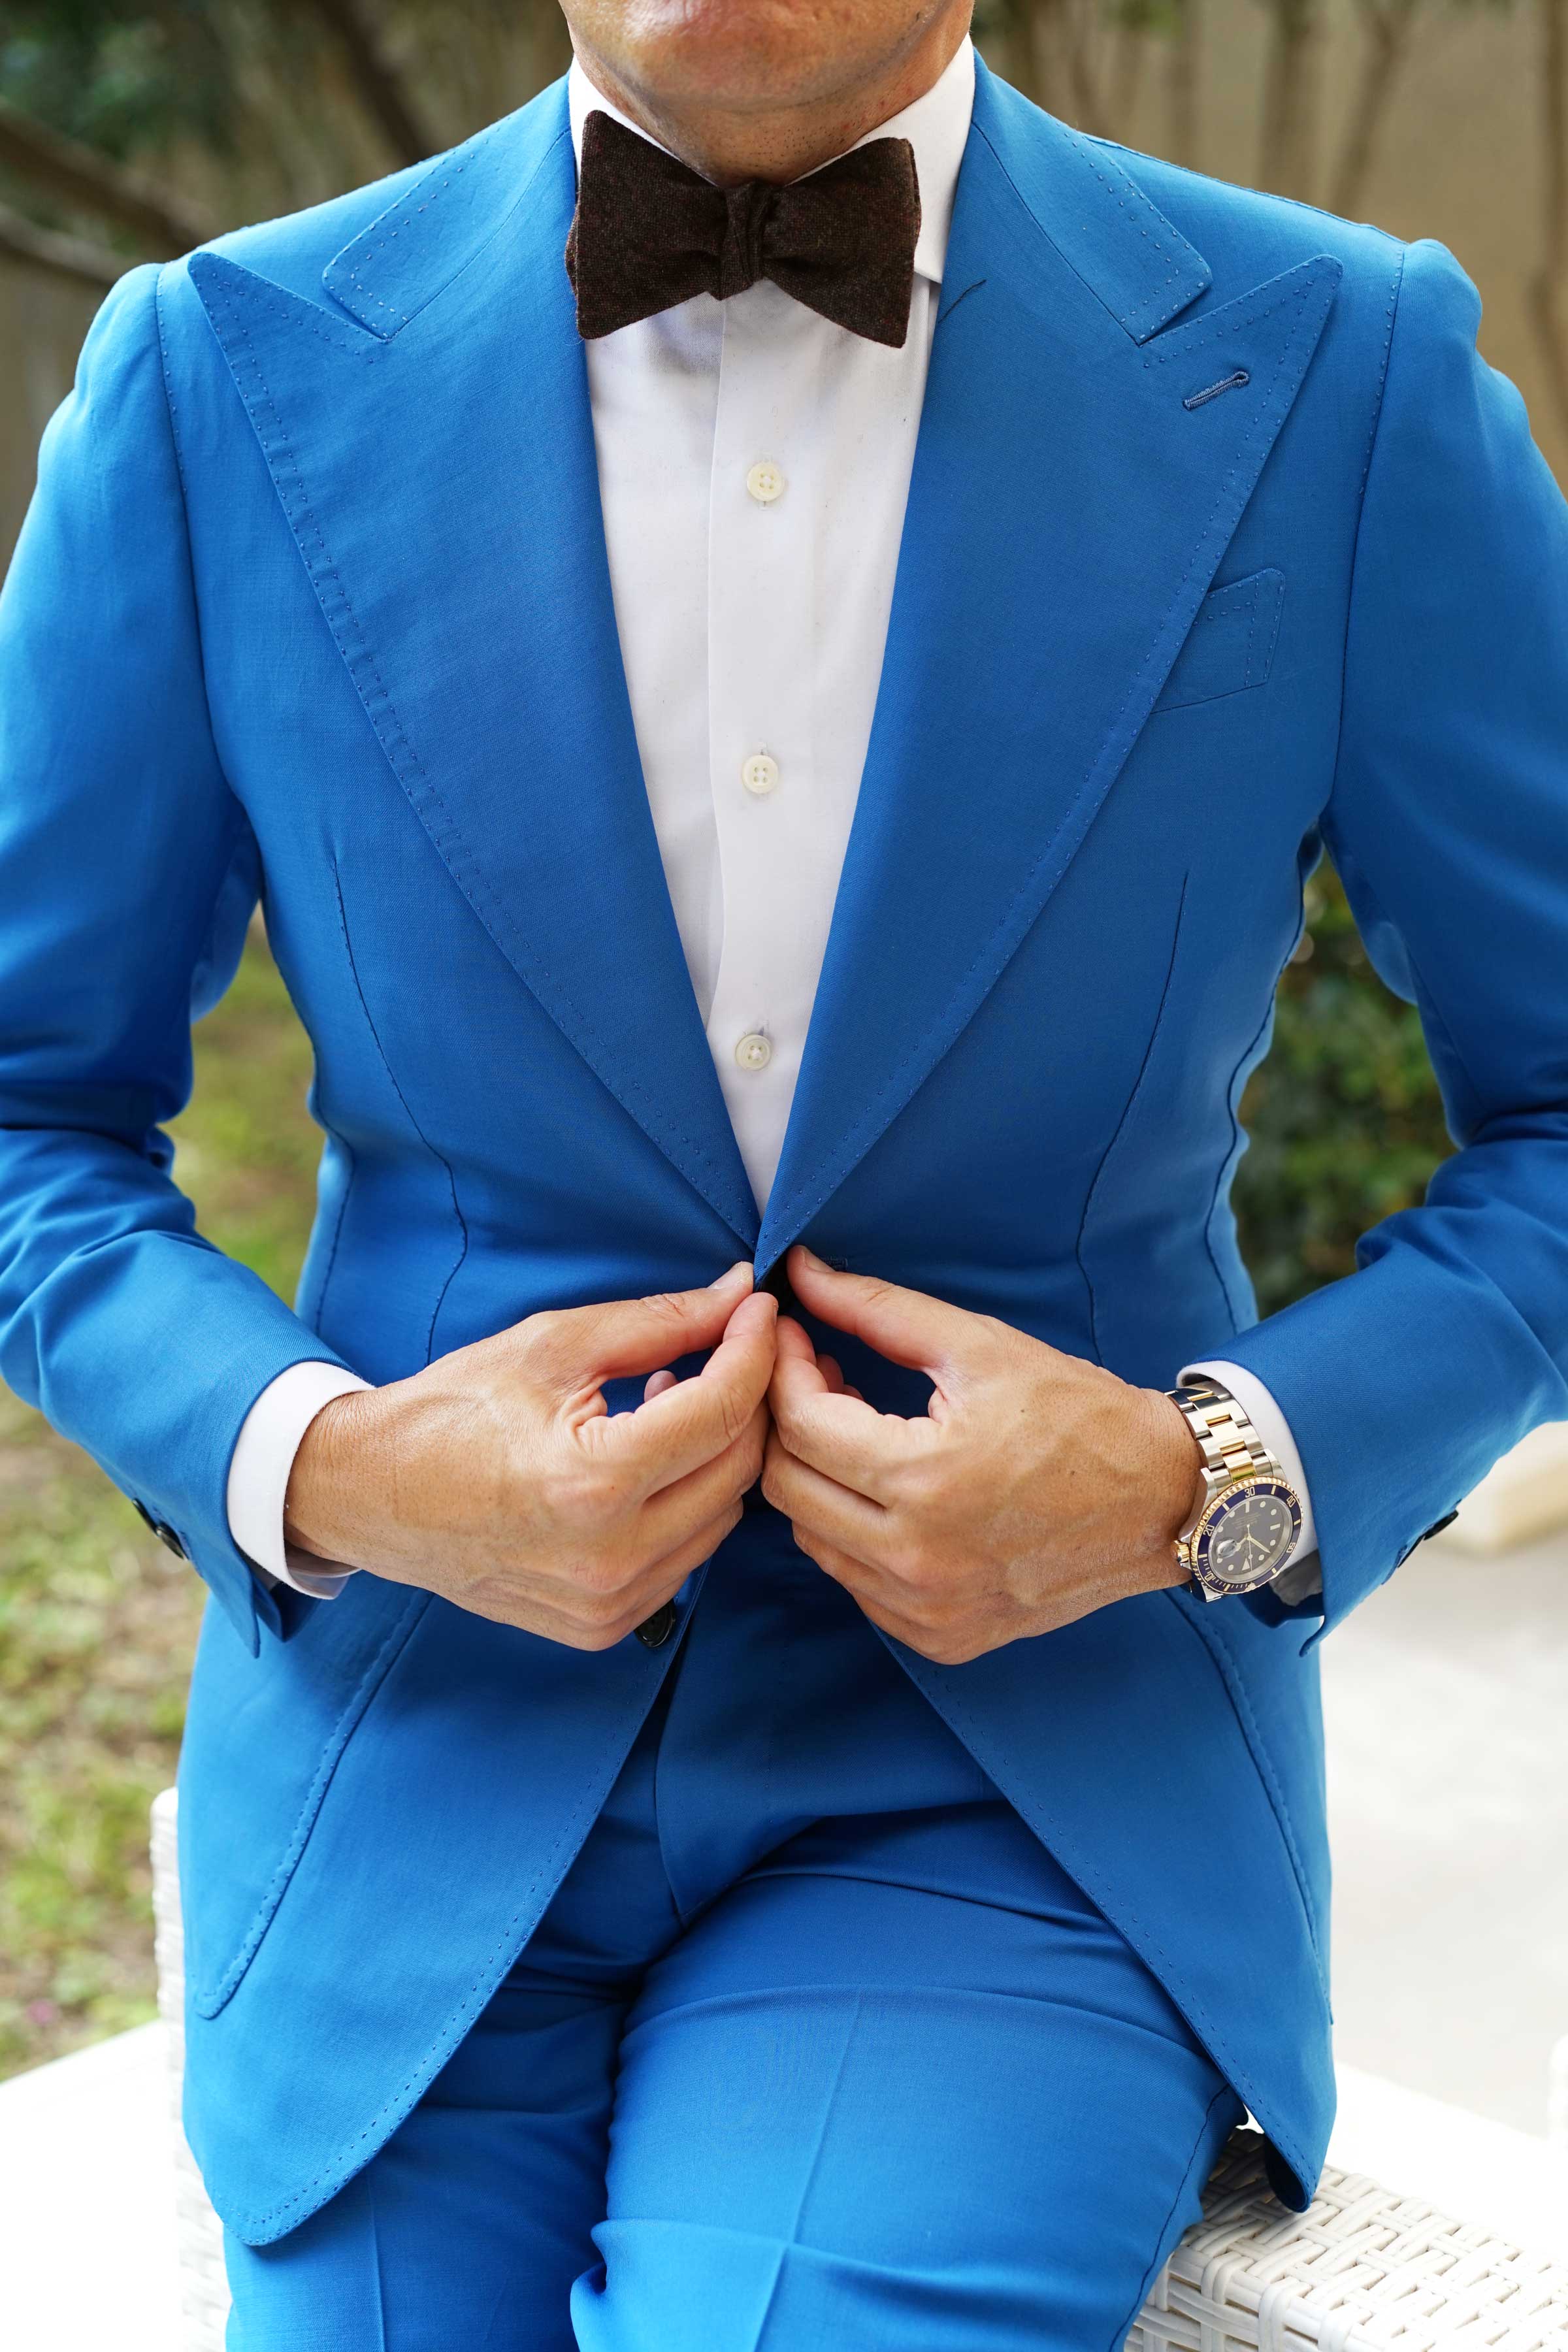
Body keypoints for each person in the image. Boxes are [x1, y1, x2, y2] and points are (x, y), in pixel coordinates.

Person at [3, 0, 1566, 2342]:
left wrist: (1197, 1479)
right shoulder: (213, 373)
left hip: (1015, 1770)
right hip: (416, 1742)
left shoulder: (1339, 365)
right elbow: (31, 1106)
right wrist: (334, 1470)